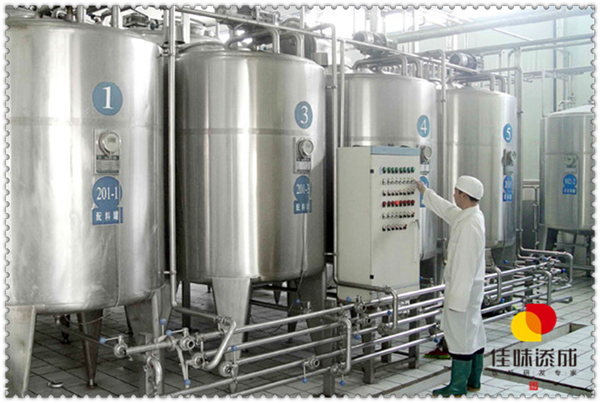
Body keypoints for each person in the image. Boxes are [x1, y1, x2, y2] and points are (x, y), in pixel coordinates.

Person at [415, 176, 486, 397]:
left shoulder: (470, 226)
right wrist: (425, 192)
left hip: (463, 292)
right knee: (473, 334)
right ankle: (473, 380)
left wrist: (456, 299)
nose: (453, 195)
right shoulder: (469, 216)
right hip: (470, 290)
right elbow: (446, 209)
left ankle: (457, 386)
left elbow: (465, 265)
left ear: (464, 196)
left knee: (459, 338)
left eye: (456, 192)